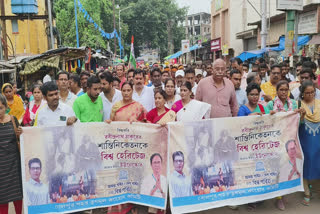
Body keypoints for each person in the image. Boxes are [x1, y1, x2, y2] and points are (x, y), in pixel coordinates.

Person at [298, 80, 320, 206]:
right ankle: (307, 192)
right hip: (304, 140)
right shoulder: (298, 105)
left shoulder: (319, 104)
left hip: (318, 139)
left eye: (312, 92)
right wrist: (301, 116)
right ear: (302, 93)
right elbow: (296, 124)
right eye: (307, 93)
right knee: (305, 164)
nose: (310, 95)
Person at [0, 94, 23, 214]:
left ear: (5, 107)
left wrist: (20, 134)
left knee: (18, 196)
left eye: (0, 108)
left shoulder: (13, 120)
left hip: (14, 164)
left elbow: (20, 139)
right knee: (2, 199)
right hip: (1, 168)